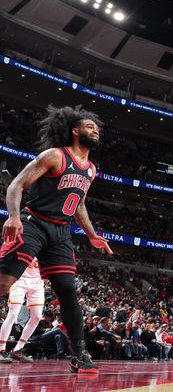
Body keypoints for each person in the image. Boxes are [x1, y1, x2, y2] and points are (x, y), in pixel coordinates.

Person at [0, 105, 112, 374]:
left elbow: (79, 205)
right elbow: (17, 184)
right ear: (75, 131)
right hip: (34, 222)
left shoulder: (91, 169)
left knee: (68, 291)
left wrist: (92, 235)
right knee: (4, 283)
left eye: (97, 128)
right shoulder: (55, 156)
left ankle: (80, 354)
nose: (95, 130)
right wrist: (13, 216)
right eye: (89, 127)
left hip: (61, 232)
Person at [0, 258, 45, 362]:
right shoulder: (20, 242)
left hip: (37, 282)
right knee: (13, 314)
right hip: (19, 280)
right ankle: (1, 350)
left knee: (37, 317)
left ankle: (18, 349)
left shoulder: (45, 246)